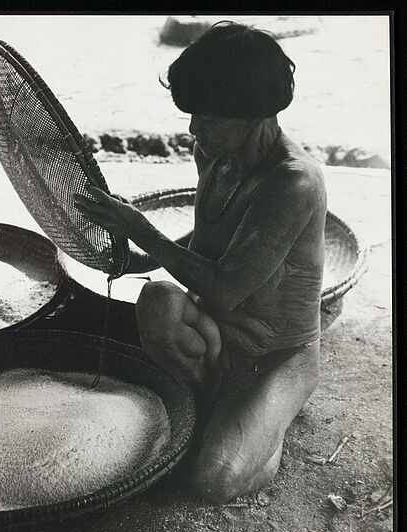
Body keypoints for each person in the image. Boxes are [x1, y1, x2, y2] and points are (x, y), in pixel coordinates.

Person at [73, 21, 327, 503]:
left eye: (207, 118)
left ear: (255, 114)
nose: (193, 129)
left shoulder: (294, 183)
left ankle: (267, 415)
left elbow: (227, 287)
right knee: (158, 301)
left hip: (276, 357)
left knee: (213, 481)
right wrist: (135, 259)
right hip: (217, 335)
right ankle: (216, 400)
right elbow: (208, 240)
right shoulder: (213, 154)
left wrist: (141, 228)